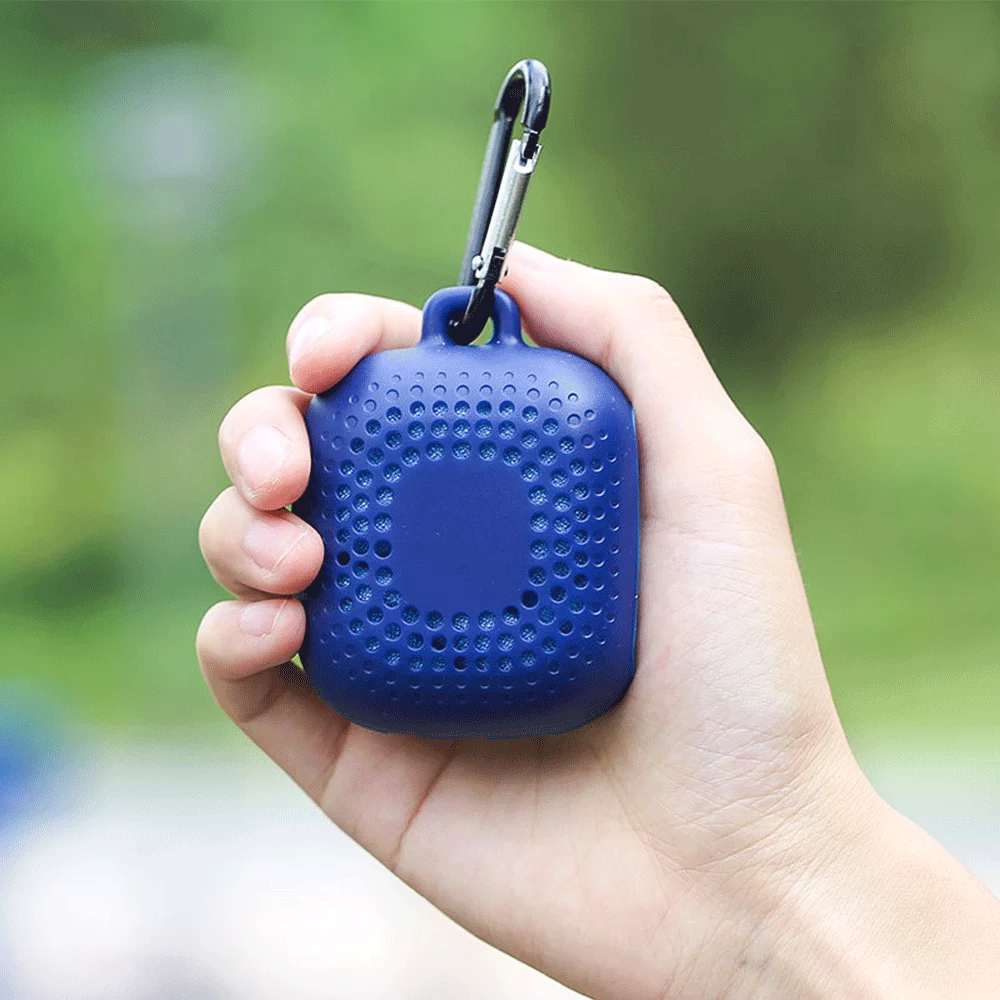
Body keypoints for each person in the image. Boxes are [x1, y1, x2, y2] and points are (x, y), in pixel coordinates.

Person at [197, 243, 1000, 999]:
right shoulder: (558, 404)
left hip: (501, 712)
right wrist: (765, 913)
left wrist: (765, 883)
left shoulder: (508, 406)